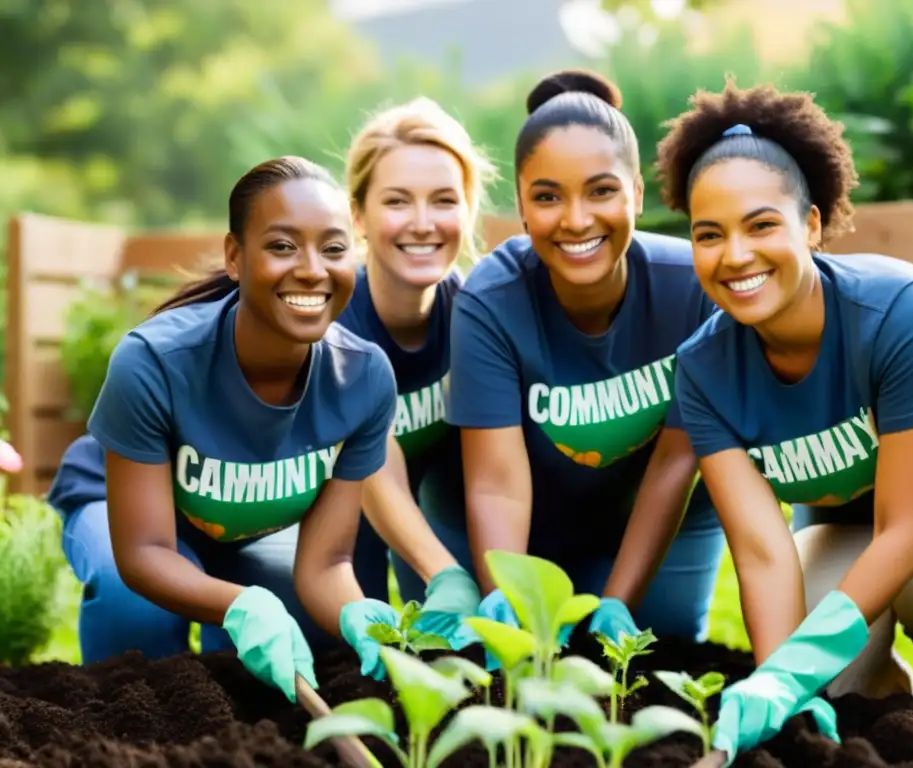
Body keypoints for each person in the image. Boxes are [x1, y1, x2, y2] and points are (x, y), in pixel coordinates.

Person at [656, 79, 913, 763]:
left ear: (815, 225)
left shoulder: (906, 316)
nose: (735, 256)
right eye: (709, 235)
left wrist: (789, 670)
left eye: (762, 224)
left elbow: (911, 531)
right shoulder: (704, 369)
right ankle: (895, 718)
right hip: (869, 526)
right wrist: (780, 686)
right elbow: (763, 552)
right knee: (823, 659)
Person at [55, 155, 415, 703]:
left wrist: (359, 617)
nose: (313, 269)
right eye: (282, 245)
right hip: (127, 514)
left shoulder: (364, 379)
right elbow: (145, 551)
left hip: (239, 532)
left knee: (304, 623)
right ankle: (120, 728)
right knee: (139, 608)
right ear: (234, 257)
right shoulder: (154, 361)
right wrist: (238, 603)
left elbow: (325, 564)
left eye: (334, 248)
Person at [433, 69, 727, 650]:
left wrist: (618, 601)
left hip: (651, 511)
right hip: (525, 518)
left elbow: (676, 460)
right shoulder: (491, 302)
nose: (575, 219)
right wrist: (507, 600)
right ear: (520, 205)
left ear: (636, 193)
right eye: (547, 197)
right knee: (497, 654)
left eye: (601, 190)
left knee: (659, 648)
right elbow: (495, 485)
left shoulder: (689, 287)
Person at [328, 97, 499, 680]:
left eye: (444, 200)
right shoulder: (329, 322)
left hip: (426, 498)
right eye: (397, 201)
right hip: (324, 505)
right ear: (357, 216)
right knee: (347, 660)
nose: (423, 223)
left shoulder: (476, 317)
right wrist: (445, 573)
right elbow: (373, 469)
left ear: (469, 211)